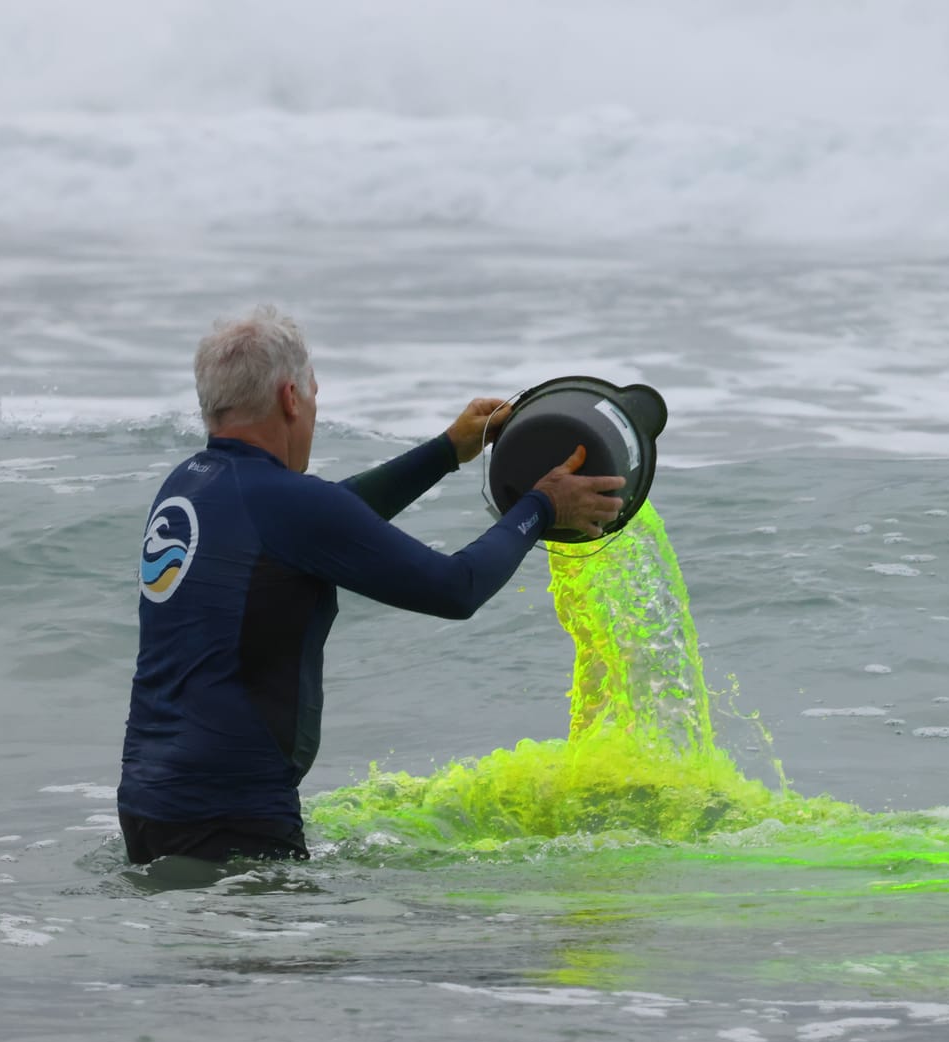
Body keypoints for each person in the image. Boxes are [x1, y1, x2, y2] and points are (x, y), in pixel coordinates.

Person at [116, 305, 624, 864]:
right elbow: (456, 588)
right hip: (231, 820)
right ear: (290, 398)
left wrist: (446, 451)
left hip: (149, 806)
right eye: (311, 396)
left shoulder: (189, 487)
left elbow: (333, 516)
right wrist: (542, 505)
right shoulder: (285, 503)